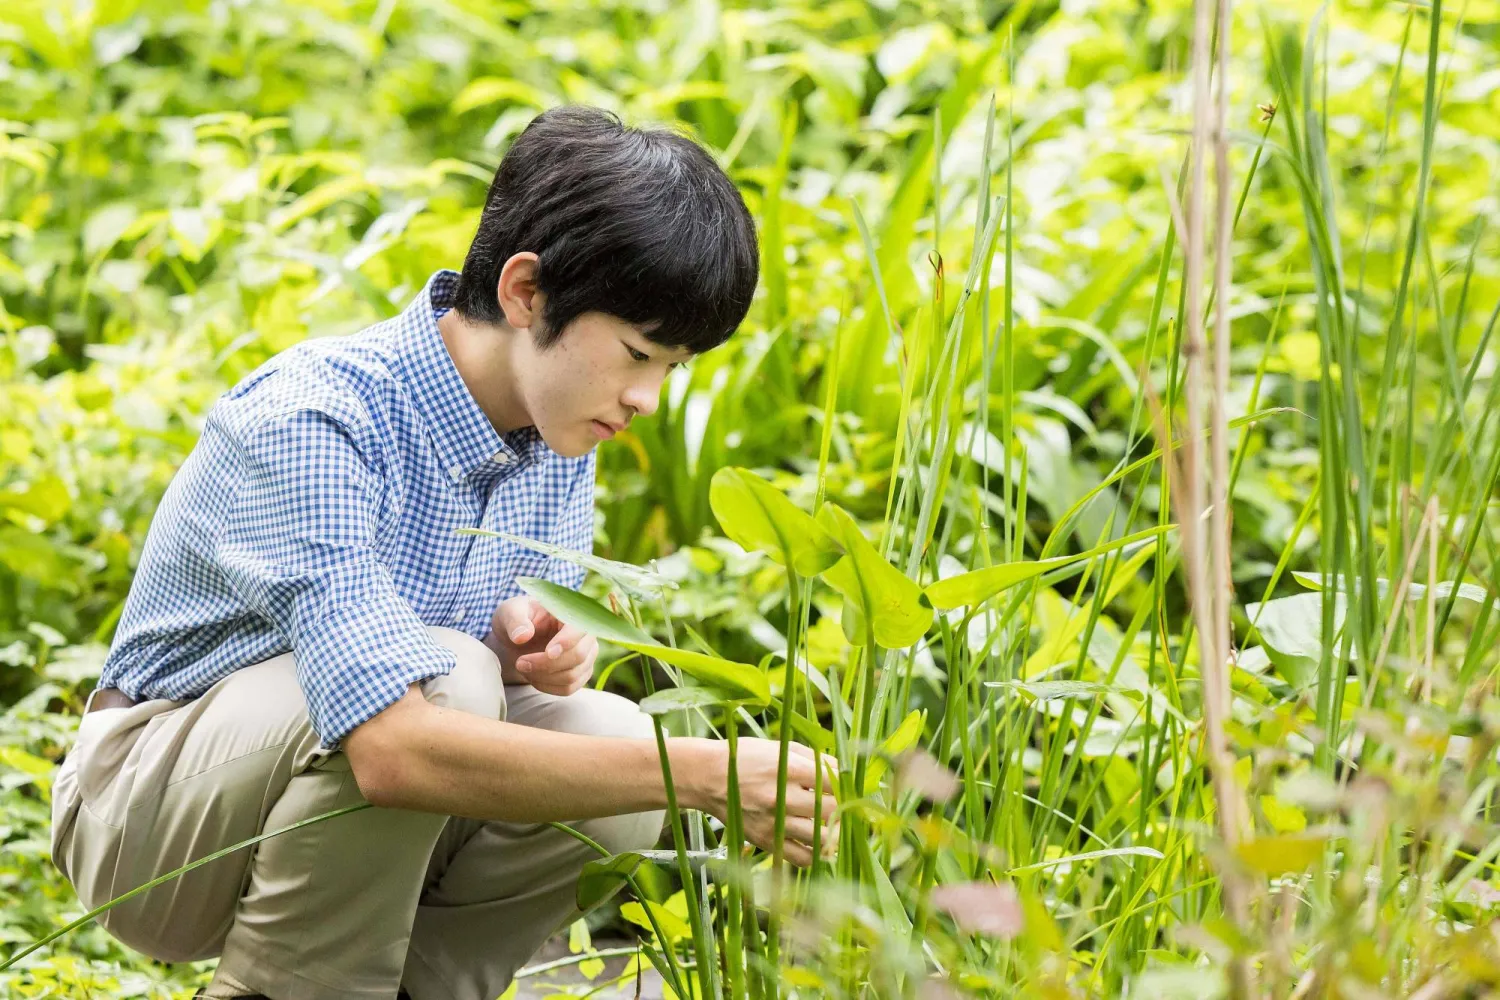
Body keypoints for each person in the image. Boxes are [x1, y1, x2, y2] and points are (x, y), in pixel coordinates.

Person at [49, 105, 838, 1000]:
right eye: (636, 353)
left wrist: (530, 656)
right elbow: (392, 749)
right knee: (454, 681)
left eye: (674, 367)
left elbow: (480, 692)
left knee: (610, 737)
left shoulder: (556, 432)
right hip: (146, 822)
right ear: (525, 292)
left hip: (337, 817)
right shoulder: (316, 418)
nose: (649, 397)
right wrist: (702, 773)